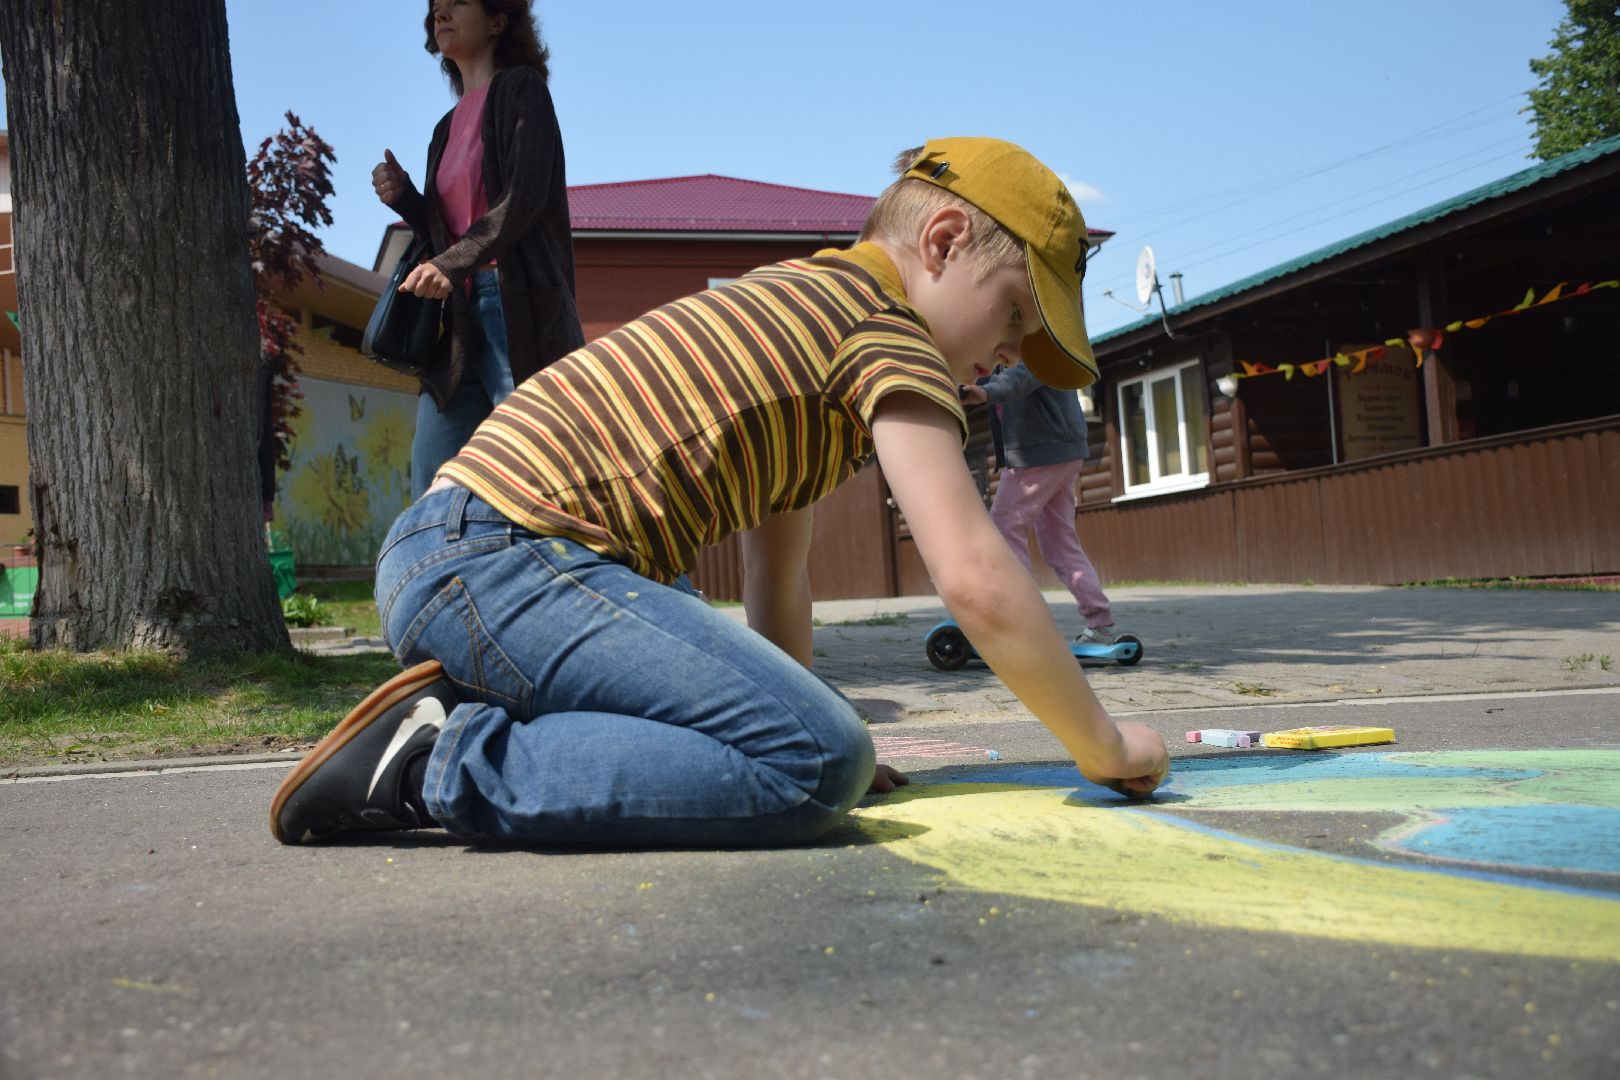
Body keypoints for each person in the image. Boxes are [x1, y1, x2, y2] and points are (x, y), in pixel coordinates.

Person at [271, 137, 1171, 849]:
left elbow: (776, 577)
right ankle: (439, 764)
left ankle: (461, 723)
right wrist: (1103, 744)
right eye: (1015, 312)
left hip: (467, 554)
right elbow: (973, 573)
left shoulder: (807, 314)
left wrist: (798, 709)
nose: (1011, 352)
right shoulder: (886, 332)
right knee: (815, 766)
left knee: (813, 743)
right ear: (939, 244)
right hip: (507, 557)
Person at [372, 0, 584, 500]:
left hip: (516, 307)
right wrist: (407, 198)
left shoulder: (521, 90)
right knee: (434, 474)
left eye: (457, 3)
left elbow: (524, 197)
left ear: (498, 19)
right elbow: (443, 233)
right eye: (435, 8)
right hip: (458, 321)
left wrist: (453, 262)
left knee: (538, 468)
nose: (440, 14)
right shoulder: (444, 129)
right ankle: (442, 577)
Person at [960, 364, 1121, 643]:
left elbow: (1018, 379)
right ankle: (1101, 623)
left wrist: (985, 392)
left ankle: (1020, 623)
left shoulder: (1032, 342)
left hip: (1038, 454)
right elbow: (989, 379)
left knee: (1004, 532)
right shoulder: (1006, 349)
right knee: (1059, 543)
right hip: (1059, 451)